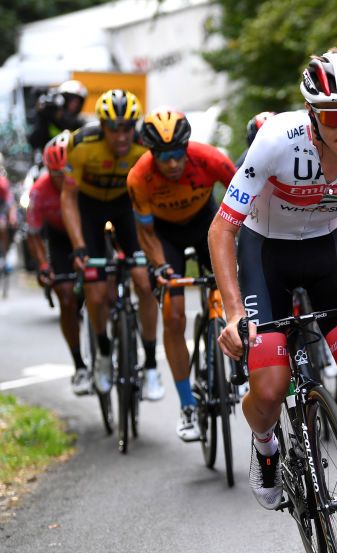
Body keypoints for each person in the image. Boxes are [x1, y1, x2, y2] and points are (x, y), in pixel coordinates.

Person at [211, 48, 337, 541]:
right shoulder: (276, 141)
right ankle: (265, 442)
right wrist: (233, 314)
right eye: (335, 115)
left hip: (328, 250)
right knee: (270, 389)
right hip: (264, 253)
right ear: (312, 115)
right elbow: (222, 230)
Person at [128, 109, 237, 440]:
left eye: (178, 154)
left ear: (187, 147)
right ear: (151, 153)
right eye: (163, 156)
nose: (172, 163)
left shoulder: (210, 159)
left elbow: (245, 196)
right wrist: (160, 267)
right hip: (165, 237)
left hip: (206, 223)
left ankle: (239, 357)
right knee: (173, 317)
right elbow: (145, 235)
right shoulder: (139, 177)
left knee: (233, 289)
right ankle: (188, 405)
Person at [61, 89, 164, 401]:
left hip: (126, 208)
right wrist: (79, 246)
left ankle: (149, 365)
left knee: (145, 284)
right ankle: (104, 354)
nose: (121, 136)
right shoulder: (81, 145)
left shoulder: (144, 145)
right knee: (95, 289)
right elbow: (68, 198)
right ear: (102, 126)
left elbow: (156, 194)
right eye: (114, 128)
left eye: (127, 127)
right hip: (90, 211)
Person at [24, 132, 92, 395]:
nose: (63, 180)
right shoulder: (39, 192)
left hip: (89, 232)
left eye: (66, 173)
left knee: (105, 289)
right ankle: (79, 365)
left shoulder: (87, 181)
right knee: (65, 297)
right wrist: (43, 266)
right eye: (56, 174)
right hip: (60, 238)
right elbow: (33, 235)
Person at [28, 80, 89, 151]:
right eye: (73, 100)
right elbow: (34, 141)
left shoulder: (80, 123)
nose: (75, 105)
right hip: (47, 159)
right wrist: (42, 114)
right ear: (64, 99)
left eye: (78, 102)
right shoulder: (48, 116)